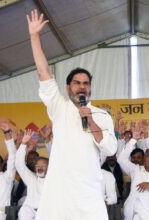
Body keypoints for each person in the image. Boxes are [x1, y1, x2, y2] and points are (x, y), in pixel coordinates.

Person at [27, 9, 117, 220]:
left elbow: (111, 148)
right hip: (60, 188)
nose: (82, 87)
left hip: (89, 190)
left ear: (91, 88)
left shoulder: (101, 115)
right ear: (68, 88)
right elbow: (43, 72)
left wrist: (91, 121)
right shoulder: (60, 107)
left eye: (86, 83)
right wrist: (34, 36)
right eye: (77, 83)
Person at [15, 130, 48, 220]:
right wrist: (23, 144)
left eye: (43, 166)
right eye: (37, 166)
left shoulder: (53, 179)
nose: (40, 168)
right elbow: (19, 164)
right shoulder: (31, 178)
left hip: (46, 212)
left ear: (49, 168)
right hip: (29, 212)